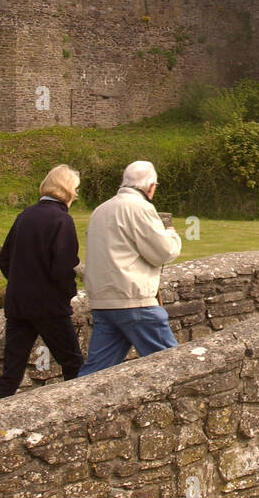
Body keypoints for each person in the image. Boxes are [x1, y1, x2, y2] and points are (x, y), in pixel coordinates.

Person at [0, 165, 83, 403]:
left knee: (10, 376)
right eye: (75, 190)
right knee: (74, 364)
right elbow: (62, 269)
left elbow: (4, 260)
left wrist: (23, 283)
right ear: (68, 191)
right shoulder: (61, 220)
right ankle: (77, 417)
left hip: (18, 305)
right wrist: (68, 295)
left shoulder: (25, 215)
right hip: (49, 308)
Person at [76, 160, 181, 377]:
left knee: (93, 375)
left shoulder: (100, 210)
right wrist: (171, 233)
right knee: (176, 367)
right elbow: (163, 252)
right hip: (134, 302)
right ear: (151, 186)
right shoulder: (140, 208)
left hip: (104, 303)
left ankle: (70, 409)